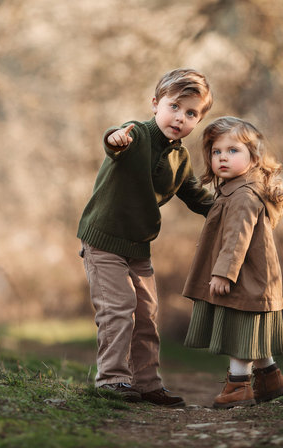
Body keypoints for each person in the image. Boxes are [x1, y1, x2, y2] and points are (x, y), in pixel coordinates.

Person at [77, 68, 215, 407]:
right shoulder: (136, 135)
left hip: (139, 246)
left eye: (191, 113)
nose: (180, 118)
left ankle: (146, 382)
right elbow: (114, 139)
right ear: (155, 104)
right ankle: (112, 379)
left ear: (197, 120)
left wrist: (230, 211)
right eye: (174, 107)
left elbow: (196, 195)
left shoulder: (180, 158)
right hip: (104, 240)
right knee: (117, 307)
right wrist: (115, 138)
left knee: (147, 312)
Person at [182, 116, 283, 409]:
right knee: (250, 329)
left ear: (254, 156)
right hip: (252, 276)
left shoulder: (243, 194)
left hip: (245, 276)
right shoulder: (236, 187)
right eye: (217, 152)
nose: (222, 158)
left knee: (239, 330)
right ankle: (270, 378)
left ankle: (238, 386)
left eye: (233, 150)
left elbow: (237, 239)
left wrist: (223, 274)